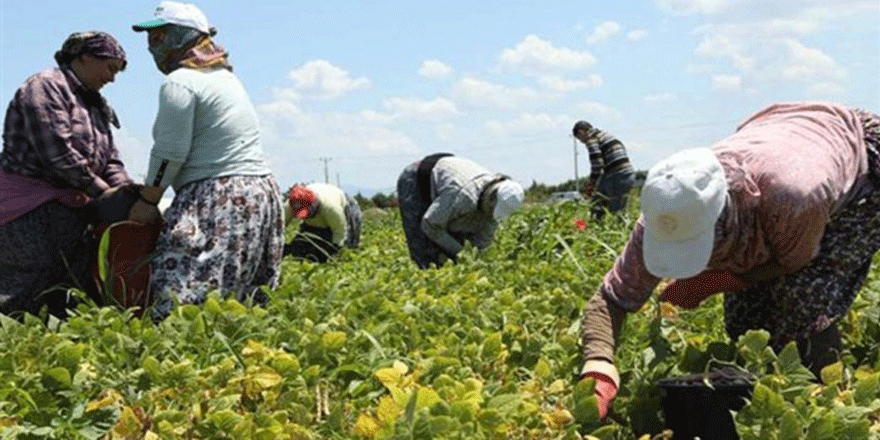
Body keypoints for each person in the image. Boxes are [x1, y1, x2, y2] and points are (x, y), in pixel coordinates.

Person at [577, 102, 880, 420]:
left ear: (725, 219)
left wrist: (712, 281)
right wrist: (599, 365)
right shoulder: (668, 207)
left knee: (802, 295)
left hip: (857, 152)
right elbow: (611, 298)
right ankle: (762, 398)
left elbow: (795, 261)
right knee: (744, 322)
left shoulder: (794, 196)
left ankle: (824, 401)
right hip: (779, 133)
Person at [129, 1, 284, 319]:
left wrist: (148, 201)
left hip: (219, 196)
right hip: (259, 193)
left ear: (180, 38)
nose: (150, 47)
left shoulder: (181, 82)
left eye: (158, 36)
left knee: (183, 302)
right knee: (236, 302)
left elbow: (169, 152)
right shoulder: (226, 79)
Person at [0, 31, 133, 319]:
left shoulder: (94, 102)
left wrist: (126, 191)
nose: (112, 78)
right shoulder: (47, 86)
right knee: (23, 289)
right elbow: (57, 153)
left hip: (72, 209)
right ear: (85, 57)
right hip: (30, 209)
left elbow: (109, 157)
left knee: (68, 291)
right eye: (110, 67)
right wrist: (102, 192)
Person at [397, 153, 524, 269]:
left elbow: (482, 243)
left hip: (447, 183)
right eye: (492, 210)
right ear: (491, 198)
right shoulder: (462, 195)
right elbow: (430, 224)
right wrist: (462, 253)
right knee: (424, 249)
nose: (491, 215)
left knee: (454, 244)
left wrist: (477, 259)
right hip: (418, 178)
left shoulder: (494, 206)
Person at [283, 183, 363, 262]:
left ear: (313, 204)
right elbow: (278, 226)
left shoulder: (331, 208)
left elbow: (339, 232)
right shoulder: (290, 205)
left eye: (306, 212)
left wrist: (334, 252)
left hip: (344, 206)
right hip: (323, 213)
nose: (305, 217)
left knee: (348, 247)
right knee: (302, 247)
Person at [572, 121, 636, 219]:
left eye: (579, 138)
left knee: (615, 213)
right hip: (627, 175)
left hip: (617, 176)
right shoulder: (605, 135)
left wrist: (592, 183)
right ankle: (597, 225)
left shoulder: (591, 139)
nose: (581, 142)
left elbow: (597, 164)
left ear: (581, 132)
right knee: (598, 203)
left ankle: (602, 228)